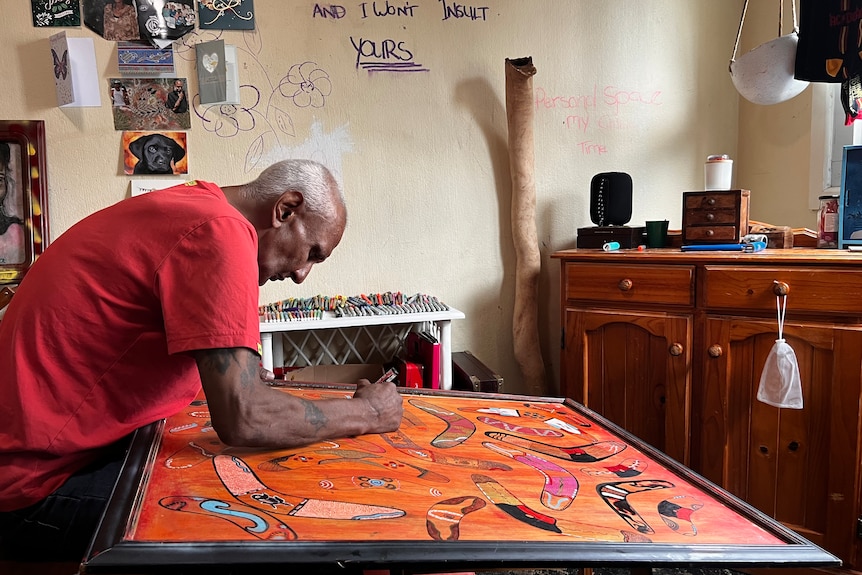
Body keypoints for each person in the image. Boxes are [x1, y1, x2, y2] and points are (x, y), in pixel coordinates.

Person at [0, 159, 404, 561]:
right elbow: (245, 418)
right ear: (285, 210)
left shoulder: (197, 204)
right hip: (32, 488)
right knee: (261, 524)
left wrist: (239, 379)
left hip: (45, 456)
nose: (303, 274)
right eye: (312, 252)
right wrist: (367, 413)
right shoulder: (221, 234)